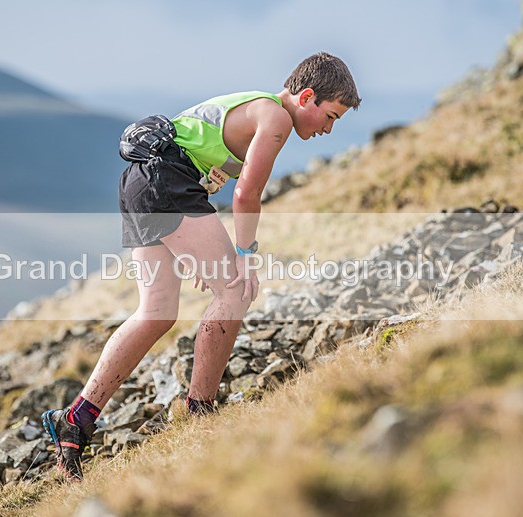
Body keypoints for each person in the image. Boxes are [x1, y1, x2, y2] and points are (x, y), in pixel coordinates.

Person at [42, 52, 361, 479]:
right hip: (166, 184)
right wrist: (245, 257)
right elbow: (247, 195)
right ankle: (201, 410)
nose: (328, 128)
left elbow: (198, 161)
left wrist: (193, 241)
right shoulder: (276, 119)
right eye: (331, 115)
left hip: (141, 183)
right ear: (306, 97)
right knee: (235, 289)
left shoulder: (256, 104)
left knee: (155, 312)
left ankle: (75, 420)